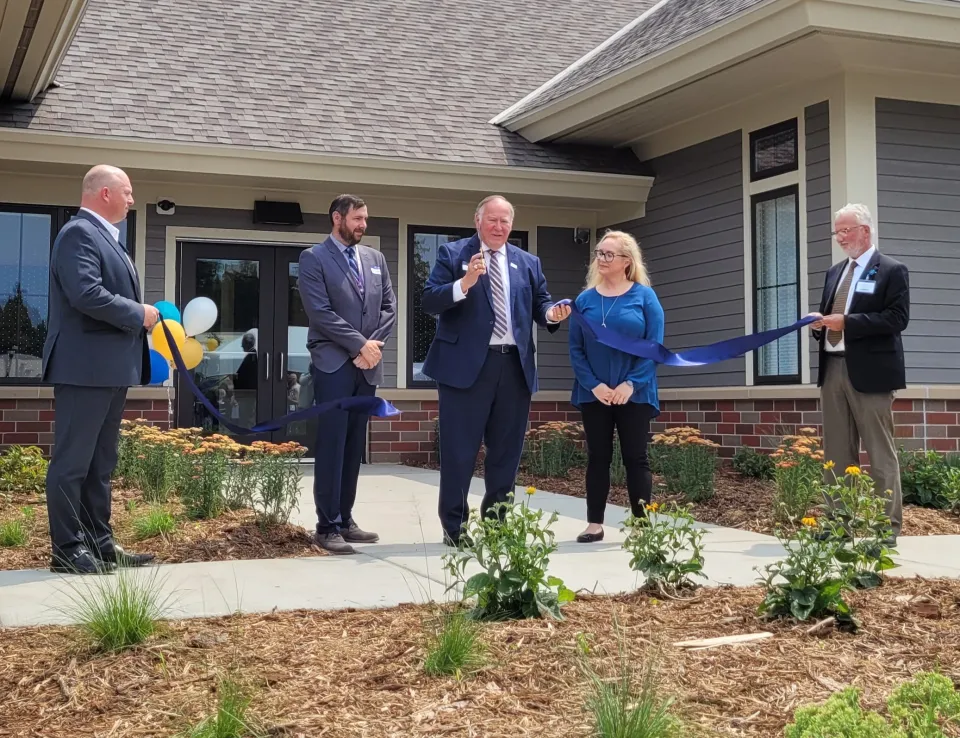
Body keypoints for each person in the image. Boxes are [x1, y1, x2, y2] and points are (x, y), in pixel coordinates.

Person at [421, 195, 571, 546]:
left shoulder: (527, 262)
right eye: (493, 220)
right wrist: (466, 282)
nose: (499, 227)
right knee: (460, 452)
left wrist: (551, 314)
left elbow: (540, 303)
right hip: (464, 369)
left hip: (513, 367)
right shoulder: (453, 254)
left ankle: (497, 527)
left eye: (505, 221)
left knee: (505, 452)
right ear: (477, 221)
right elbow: (429, 300)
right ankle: (454, 529)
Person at [42, 165, 159, 574]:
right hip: (84, 369)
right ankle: (68, 550)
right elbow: (86, 294)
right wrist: (140, 313)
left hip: (110, 370)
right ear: (104, 193)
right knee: (73, 462)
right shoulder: (78, 233)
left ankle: (100, 543)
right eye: (127, 192)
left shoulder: (106, 238)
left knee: (100, 463)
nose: (131, 200)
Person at [298, 194, 397, 554]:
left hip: (367, 367)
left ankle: (345, 518)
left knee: (355, 446)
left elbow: (390, 306)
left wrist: (372, 348)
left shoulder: (375, 259)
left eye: (365, 219)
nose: (362, 225)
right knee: (333, 444)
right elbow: (320, 312)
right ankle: (326, 526)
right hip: (334, 365)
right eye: (357, 218)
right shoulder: (313, 259)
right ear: (337, 218)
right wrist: (359, 346)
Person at [808, 203, 909, 545]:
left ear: (865, 231)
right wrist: (819, 324)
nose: (840, 237)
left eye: (846, 230)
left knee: (879, 452)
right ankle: (838, 524)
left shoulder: (891, 270)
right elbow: (831, 316)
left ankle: (885, 529)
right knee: (836, 453)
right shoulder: (834, 272)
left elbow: (897, 320)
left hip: (872, 373)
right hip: (833, 368)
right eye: (837, 231)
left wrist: (847, 323)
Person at [568, 231, 664, 543]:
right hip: (595, 393)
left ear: (626, 261)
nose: (601, 259)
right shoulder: (584, 301)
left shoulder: (645, 297)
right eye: (599, 253)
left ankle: (641, 524)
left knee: (636, 457)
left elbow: (654, 347)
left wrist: (631, 384)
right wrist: (594, 385)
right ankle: (594, 524)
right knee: (598, 457)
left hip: (634, 393)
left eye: (608, 254)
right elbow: (575, 350)